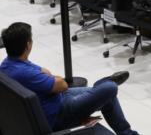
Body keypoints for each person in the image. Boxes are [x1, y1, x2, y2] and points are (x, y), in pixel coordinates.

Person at [1, 22, 139, 135]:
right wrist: (52, 78)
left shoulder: (7, 65)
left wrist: (49, 77)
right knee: (110, 88)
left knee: (106, 95)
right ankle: (104, 84)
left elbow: (46, 73)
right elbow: (62, 85)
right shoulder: (26, 73)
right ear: (28, 45)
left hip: (53, 99)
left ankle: (127, 133)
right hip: (60, 113)